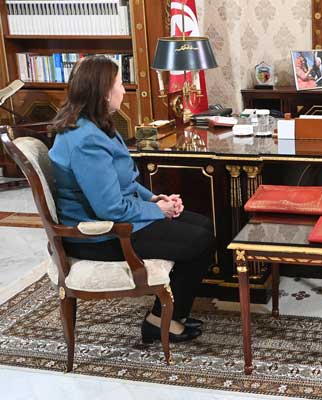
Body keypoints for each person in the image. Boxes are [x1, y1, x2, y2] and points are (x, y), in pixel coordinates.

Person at [48, 55, 214, 344]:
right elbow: (110, 208)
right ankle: (161, 321)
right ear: (104, 93)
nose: (124, 90)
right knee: (200, 240)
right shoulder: (86, 140)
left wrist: (155, 198)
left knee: (204, 225)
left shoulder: (95, 125)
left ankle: (169, 313)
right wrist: (157, 210)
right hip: (99, 235)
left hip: (115, 221)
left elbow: (122, 182)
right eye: (119, 84)